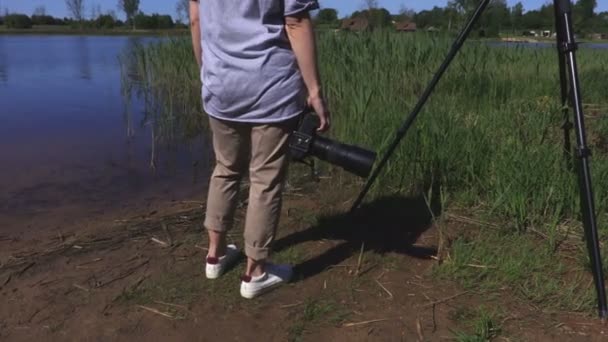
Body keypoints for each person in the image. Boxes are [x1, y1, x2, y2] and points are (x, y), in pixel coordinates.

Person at [188, 0, 330, 299]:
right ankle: (255, 273)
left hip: (220, 84)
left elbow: (196, 19)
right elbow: (296, 23)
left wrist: (209, 72)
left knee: (225, 167)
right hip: (270, 86)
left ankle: (214, 256)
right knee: (264, 180)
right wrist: (314, 90)